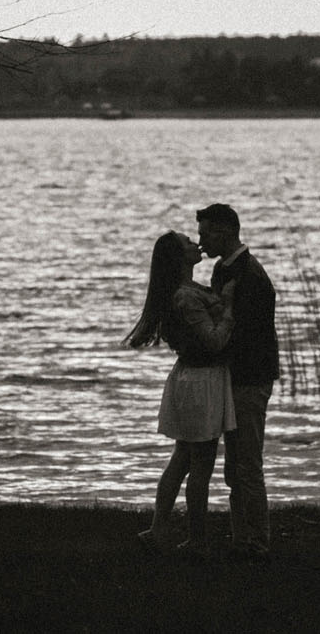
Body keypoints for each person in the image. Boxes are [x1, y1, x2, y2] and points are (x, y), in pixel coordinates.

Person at [123, 230, 235, 556]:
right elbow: (213, 340)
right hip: (201, 382)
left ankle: (160, 529)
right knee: (200, 463)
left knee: (183, 458)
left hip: (191, 378)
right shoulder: (184, 296)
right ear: (179, 257)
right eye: (188, 243)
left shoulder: (184, 292)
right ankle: (195, 539)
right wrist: (229, 308)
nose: (196, 244)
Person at [197, 202, 278, 562]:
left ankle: (256, 541)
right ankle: (241, 537)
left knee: (247, 463)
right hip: (236, 377)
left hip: (249, 378)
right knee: (236, 465)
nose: (201, 241)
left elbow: (244, 332)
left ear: (224, 232)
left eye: (206, 233)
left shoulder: (247, 274)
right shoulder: (225, 269)